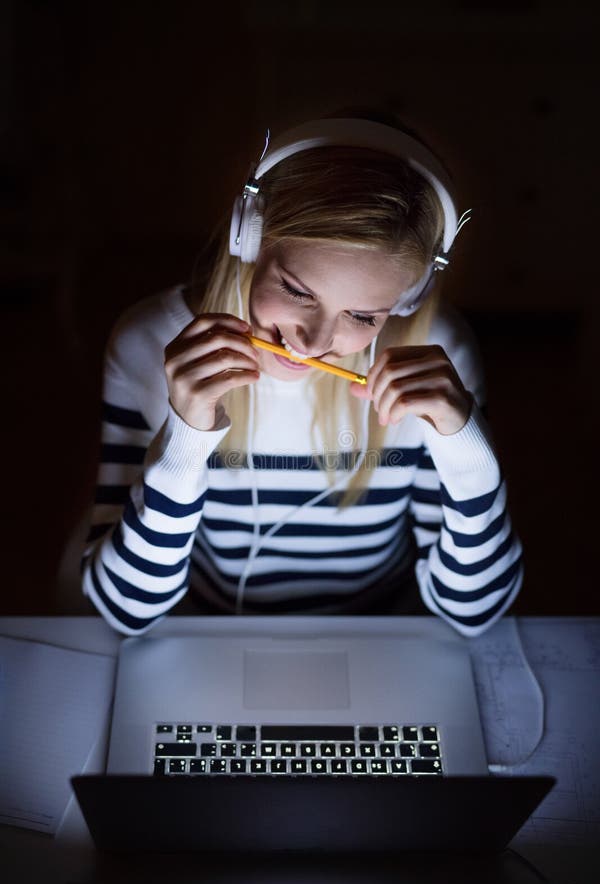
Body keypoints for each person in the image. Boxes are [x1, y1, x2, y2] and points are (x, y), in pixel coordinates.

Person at [81, 111, 523, 636]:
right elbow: (124, 612)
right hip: (205, 640)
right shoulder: (147, 342)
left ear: (409, 299)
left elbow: (474, 614)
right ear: (249, 239)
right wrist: (185, 437)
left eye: (362, 316)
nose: (311, 343)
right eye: (296, 290)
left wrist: (466, 448)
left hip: (383, 641)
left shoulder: (437, 354)